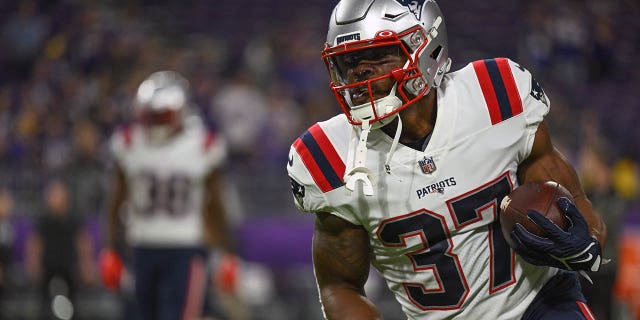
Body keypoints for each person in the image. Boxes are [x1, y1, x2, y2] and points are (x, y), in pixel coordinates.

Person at [286, 1, 607, 319]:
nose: (360, 72)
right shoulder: (330, 156)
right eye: (350, 61)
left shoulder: (495, 96)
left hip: (539, 305)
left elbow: (576, 206)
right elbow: (340, 285)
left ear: (424, 48)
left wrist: (585, 241)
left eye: (377, 55)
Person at [102, 70, 236, 320]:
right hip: (141, 245)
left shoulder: (202, 145)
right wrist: (110, 249)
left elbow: (215, 206)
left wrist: (227, 253)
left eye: (162, 115)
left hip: (185, 247)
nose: (155, 123)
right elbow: (116, 201)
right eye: (149, 116)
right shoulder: (128, 143)